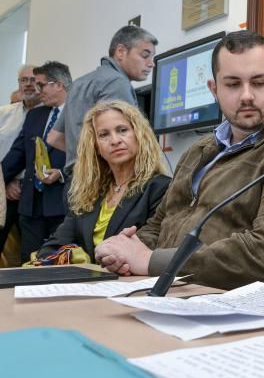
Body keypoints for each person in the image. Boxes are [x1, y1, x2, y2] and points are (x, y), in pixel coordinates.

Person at [95, 31, 264, 290]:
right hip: (175, 291)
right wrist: (126, 250)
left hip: (248, 309)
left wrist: (149, 261)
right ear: (214, 89)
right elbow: (161, 223)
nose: (246, 95)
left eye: (258, 82)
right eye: (233, 84)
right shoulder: (198, 150)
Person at [37, 100, 170, 261]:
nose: (115, 140)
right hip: (89, 283)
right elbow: (49, 250)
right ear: (95, 146)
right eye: (104, 134)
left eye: (122, 130)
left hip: (131, 282)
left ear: (139, 135)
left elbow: (150, 247)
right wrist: (78, 258)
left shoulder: (161, 188)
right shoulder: (87, 195)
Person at [47, 25, 158, 173]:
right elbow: (127, 144)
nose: (151, 63)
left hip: (76, 180)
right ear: (121, 52)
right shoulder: (117, 83)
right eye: (145, 55)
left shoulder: (79, 84)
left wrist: (83, 157)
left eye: (152, 57)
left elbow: (54, 138)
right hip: (104, 178)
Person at [2, 62, 71, 261]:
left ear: (58, 84)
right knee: (28, 263)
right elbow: (17, 155)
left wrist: (61, 173)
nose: (37, 90)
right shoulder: (35, 115)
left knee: (57, 265)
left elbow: (87, 159)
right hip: (30, 207)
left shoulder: (80, 114)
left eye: (41, 85)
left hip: (62, 206)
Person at [0, 66, 41, 254]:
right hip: (3, 190)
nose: (28, 85)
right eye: (23, 80)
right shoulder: (4, 113)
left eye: (33, 80)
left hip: (33, 194)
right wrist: (5, 184)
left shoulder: (50, 115)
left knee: (28, 252)